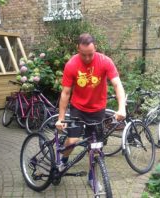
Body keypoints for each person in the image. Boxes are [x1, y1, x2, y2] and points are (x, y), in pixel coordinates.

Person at [55, 33, 126, 188]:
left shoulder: (105, 62)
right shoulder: (72, 65)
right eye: (83, 55)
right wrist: (61, 118)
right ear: (77, 49)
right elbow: (66, 93)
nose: (87, 58)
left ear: (96, 49)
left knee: (95, 146)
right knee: (72, 141)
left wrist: (122, 108)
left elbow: (117, 84)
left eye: (90, 54)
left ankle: (92, 177)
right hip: (78, 108)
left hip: (97, 110)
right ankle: (63, 161)